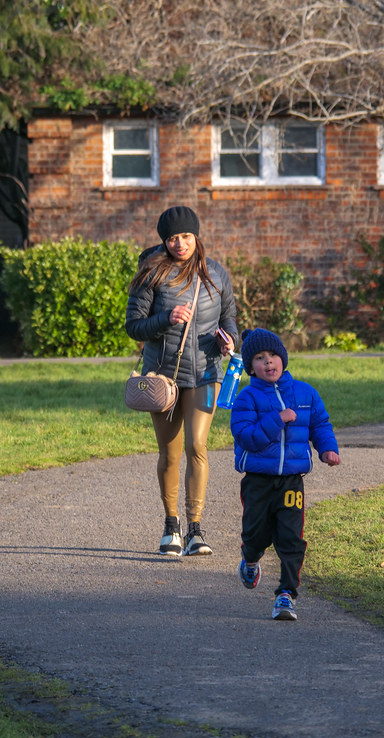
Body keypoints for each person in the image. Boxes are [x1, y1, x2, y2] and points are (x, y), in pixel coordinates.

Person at [125, 206, 239, 557]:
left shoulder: (217, 275)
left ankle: (195, 530)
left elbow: (230, 317)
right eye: (172, 238)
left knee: (197, 446)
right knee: (171, 453)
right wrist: (165, 318)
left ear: (196, 236)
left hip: (207, 372)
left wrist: (230, 340)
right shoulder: (151, 274)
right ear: (165, 240)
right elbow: (134, 326)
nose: (180, 244)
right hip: (164, 377)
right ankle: (170, 526)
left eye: (186, 236)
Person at [230, 328, 341, 620]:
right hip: (257, 480)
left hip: (292, 480)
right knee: (256, 535)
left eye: (273, 355)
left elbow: (320, 424)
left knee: (291, 538)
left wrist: (327, 449)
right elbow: (247, 437)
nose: (268, 362)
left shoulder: (305, 393)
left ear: (284, 358)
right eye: (259, 358)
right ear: (250, 366)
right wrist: (276, 419)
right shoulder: (247, 398)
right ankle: (250, 559)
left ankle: (285, 595)